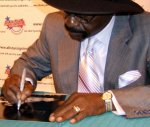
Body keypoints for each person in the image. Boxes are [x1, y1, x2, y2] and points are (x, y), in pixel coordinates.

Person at [2, 0, 150, 124]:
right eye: (68, 12)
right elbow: (29, 63)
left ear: (110, 9)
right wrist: (19, 80)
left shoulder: (146, 29)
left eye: (83, 16)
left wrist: (106, 100)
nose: (70, 23)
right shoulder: (54, 25)